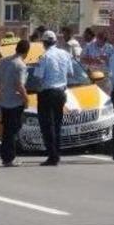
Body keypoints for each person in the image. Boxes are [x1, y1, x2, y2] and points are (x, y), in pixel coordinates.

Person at [35, 30, 74, 166]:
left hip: (48, 93)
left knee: (47, 126)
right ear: (55, 41)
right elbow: (70, 73)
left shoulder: (44, 56)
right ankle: (56, 153)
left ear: (44, 43)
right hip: (61, 93)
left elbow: (38, 77)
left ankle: (52, 156)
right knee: (57, 125)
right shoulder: (65, 54)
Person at [0, 39, 30, 167]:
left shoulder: (4, 61)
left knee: (6, 131)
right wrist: (26, 99)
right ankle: (9, 158)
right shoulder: (20, 65)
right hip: (15, 103)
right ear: (26, 51)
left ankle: (5, 156)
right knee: (12, 131)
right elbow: (19, 85)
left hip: (4, 100)